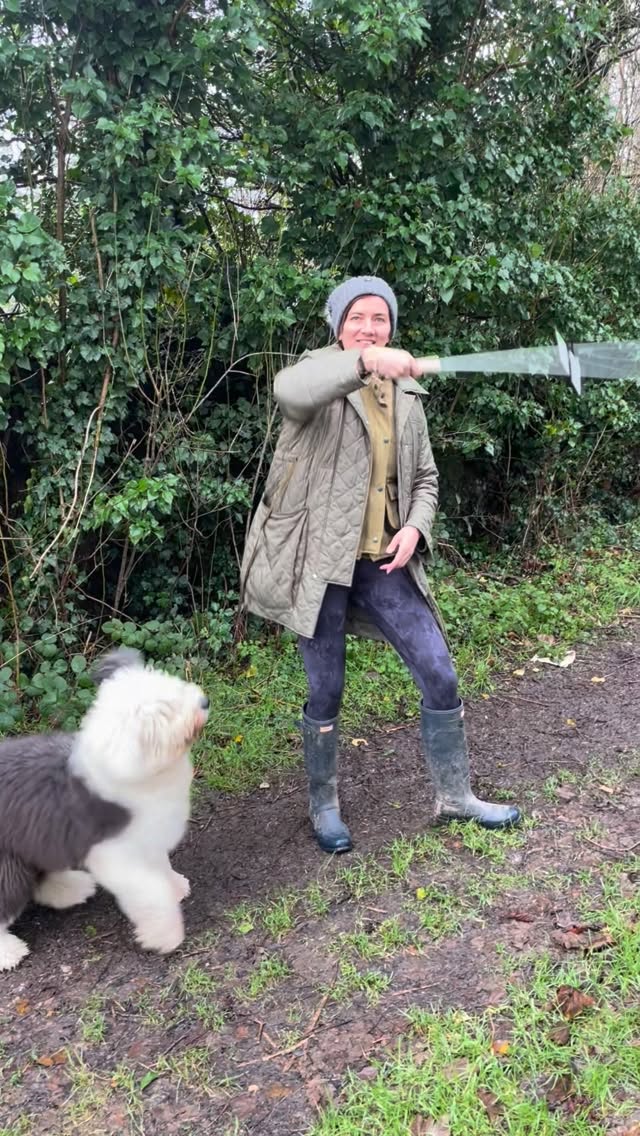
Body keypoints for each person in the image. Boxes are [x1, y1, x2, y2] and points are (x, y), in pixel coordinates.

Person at [240, 276, 521, 853]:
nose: (369, 328)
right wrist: (365, 360)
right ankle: (323, 806)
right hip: (319, 564)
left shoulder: (407, 395)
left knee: (439, 670)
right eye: (357, 319)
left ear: (392, 325)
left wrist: (415, 527)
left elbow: (426, 479)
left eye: (380, 320)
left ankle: (455, 797)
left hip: (381, 563)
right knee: (327, 688)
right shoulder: (316, 376)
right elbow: (289, 391)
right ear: (338, 325)